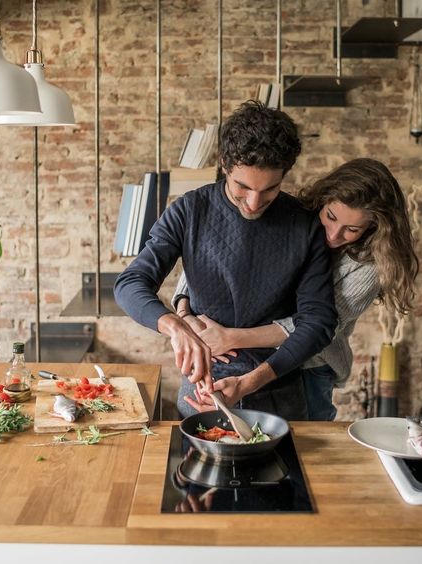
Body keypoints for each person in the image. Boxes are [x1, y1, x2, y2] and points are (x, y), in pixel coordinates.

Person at [114, 101, 338, 420]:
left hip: (279, 386)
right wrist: (176, 326)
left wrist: (249, 383)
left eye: (270, 189)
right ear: (225, 164)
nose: (254, 202)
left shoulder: (304, 224)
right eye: (242, 187)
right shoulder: (190, 211)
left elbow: (318, 322)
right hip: (204, 387)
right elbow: (130, 283)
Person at [174, 158, 419, 420]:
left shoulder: (369, 268)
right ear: (323, 201)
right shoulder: (293, 220)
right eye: (331, 217)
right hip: (245, 354)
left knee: (303, 447)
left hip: (309, 368)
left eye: (352, 229)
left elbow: (314, 327)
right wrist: (183, 312)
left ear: (374, 228)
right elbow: (211, 259)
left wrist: (231, 337)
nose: (333, 234)